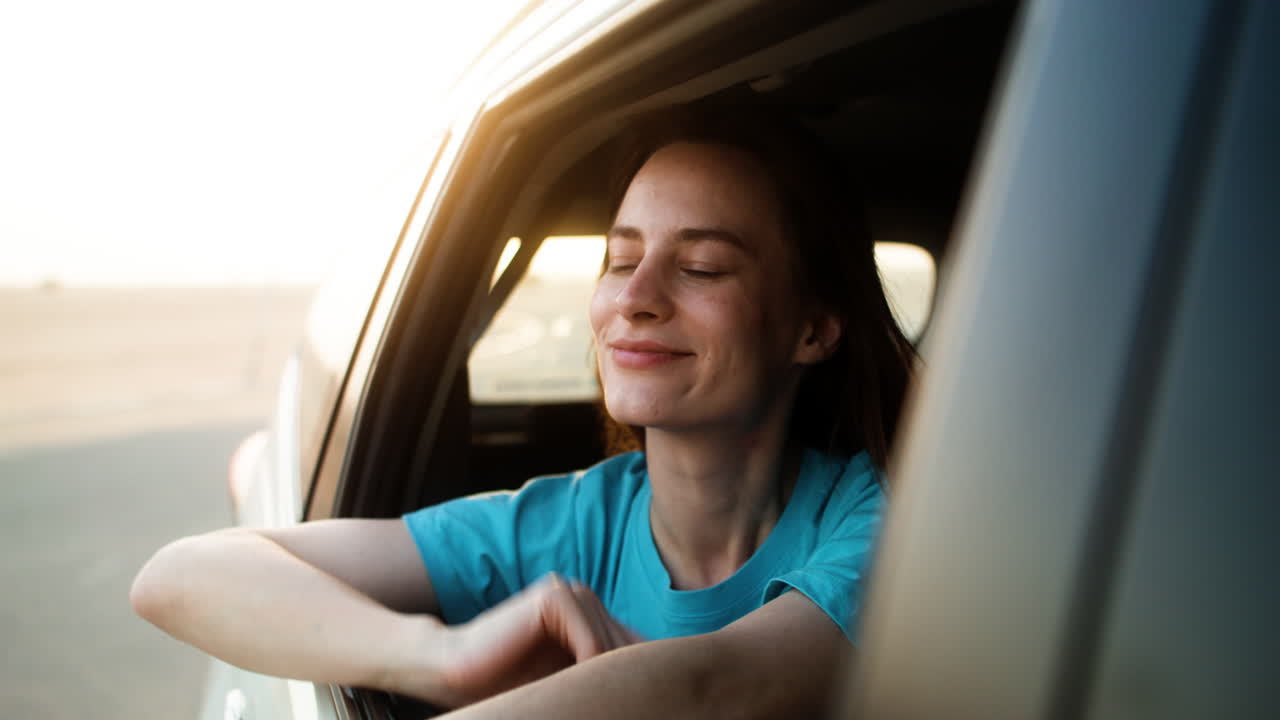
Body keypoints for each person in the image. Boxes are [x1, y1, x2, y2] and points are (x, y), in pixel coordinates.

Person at [130, 106, 915, 719]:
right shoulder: (569, 525)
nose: (634, 300)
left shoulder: (883, 522)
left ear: (812, 329)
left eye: (701, 267)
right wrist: (437, 655)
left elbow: (716, 688)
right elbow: (175, 576)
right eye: (619, 259)